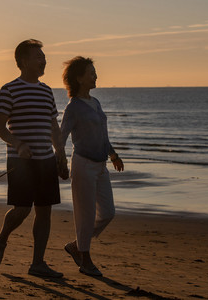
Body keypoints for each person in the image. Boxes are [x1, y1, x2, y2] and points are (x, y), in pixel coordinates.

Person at [0, 39, 68, 278]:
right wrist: (18, 144)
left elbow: (54, 126)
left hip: (45, 160)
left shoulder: (46, 91)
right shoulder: (9, 89)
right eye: (38, 56)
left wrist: (61, 155)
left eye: (44, 57)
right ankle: (2, 238)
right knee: (22, 210)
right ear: (23, 61)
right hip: (20, 162)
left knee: (44, 212)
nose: (44, 60)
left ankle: (38, 263)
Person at [60, 56, 124, 277]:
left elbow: (102, 135)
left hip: (101, 165)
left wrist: (113, 154)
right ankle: (85, 260)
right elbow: (61, 137)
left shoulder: (95, 103)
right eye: (91, 72)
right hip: (83, 165)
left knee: (107, 213)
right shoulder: (73, 107)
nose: (96, 76)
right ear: (79, 78)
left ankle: (77, 246)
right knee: (85, 215)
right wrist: (57, 160)